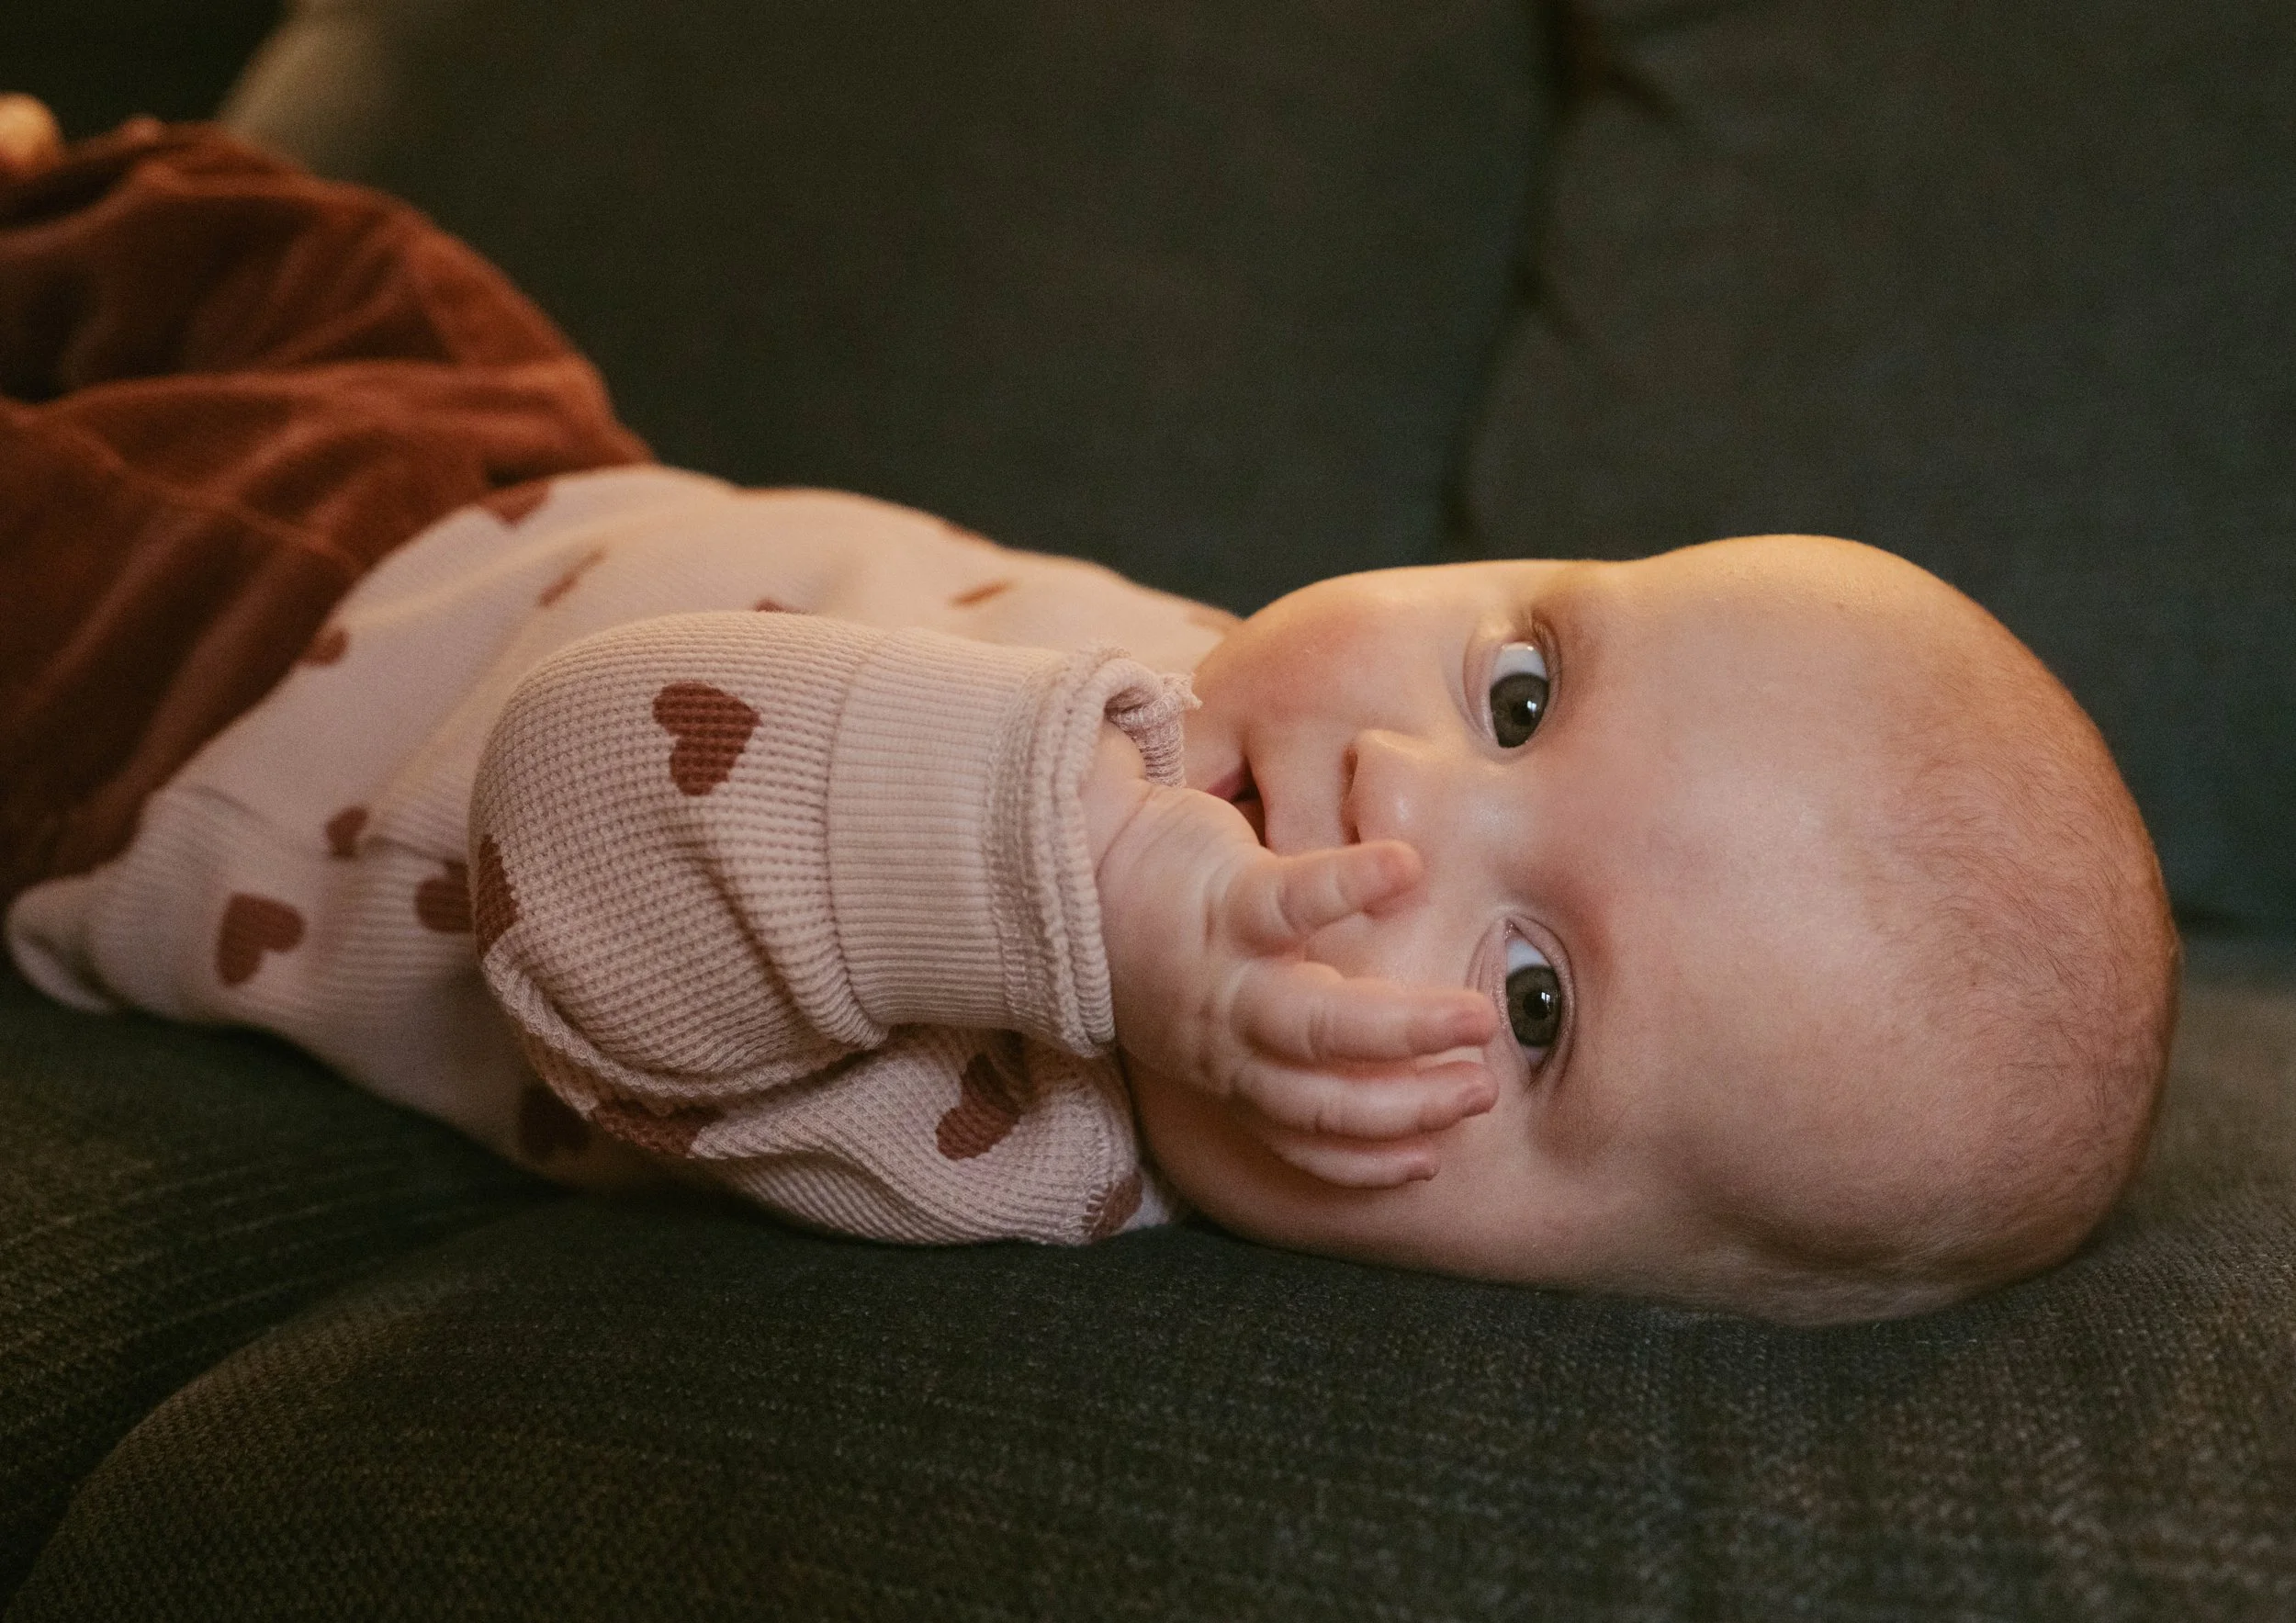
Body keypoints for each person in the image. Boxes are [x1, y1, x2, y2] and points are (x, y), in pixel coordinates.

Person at [1, 105, 2179, 1325]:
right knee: (287, 246)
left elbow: (575, 798)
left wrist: (1110, 895)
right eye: (1519, 686)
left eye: (1530, 1003)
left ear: (1564, 1298)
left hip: (202, 703)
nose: (1402, 787)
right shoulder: (1268, 711)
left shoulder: (1024, 1132)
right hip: (523, 458)